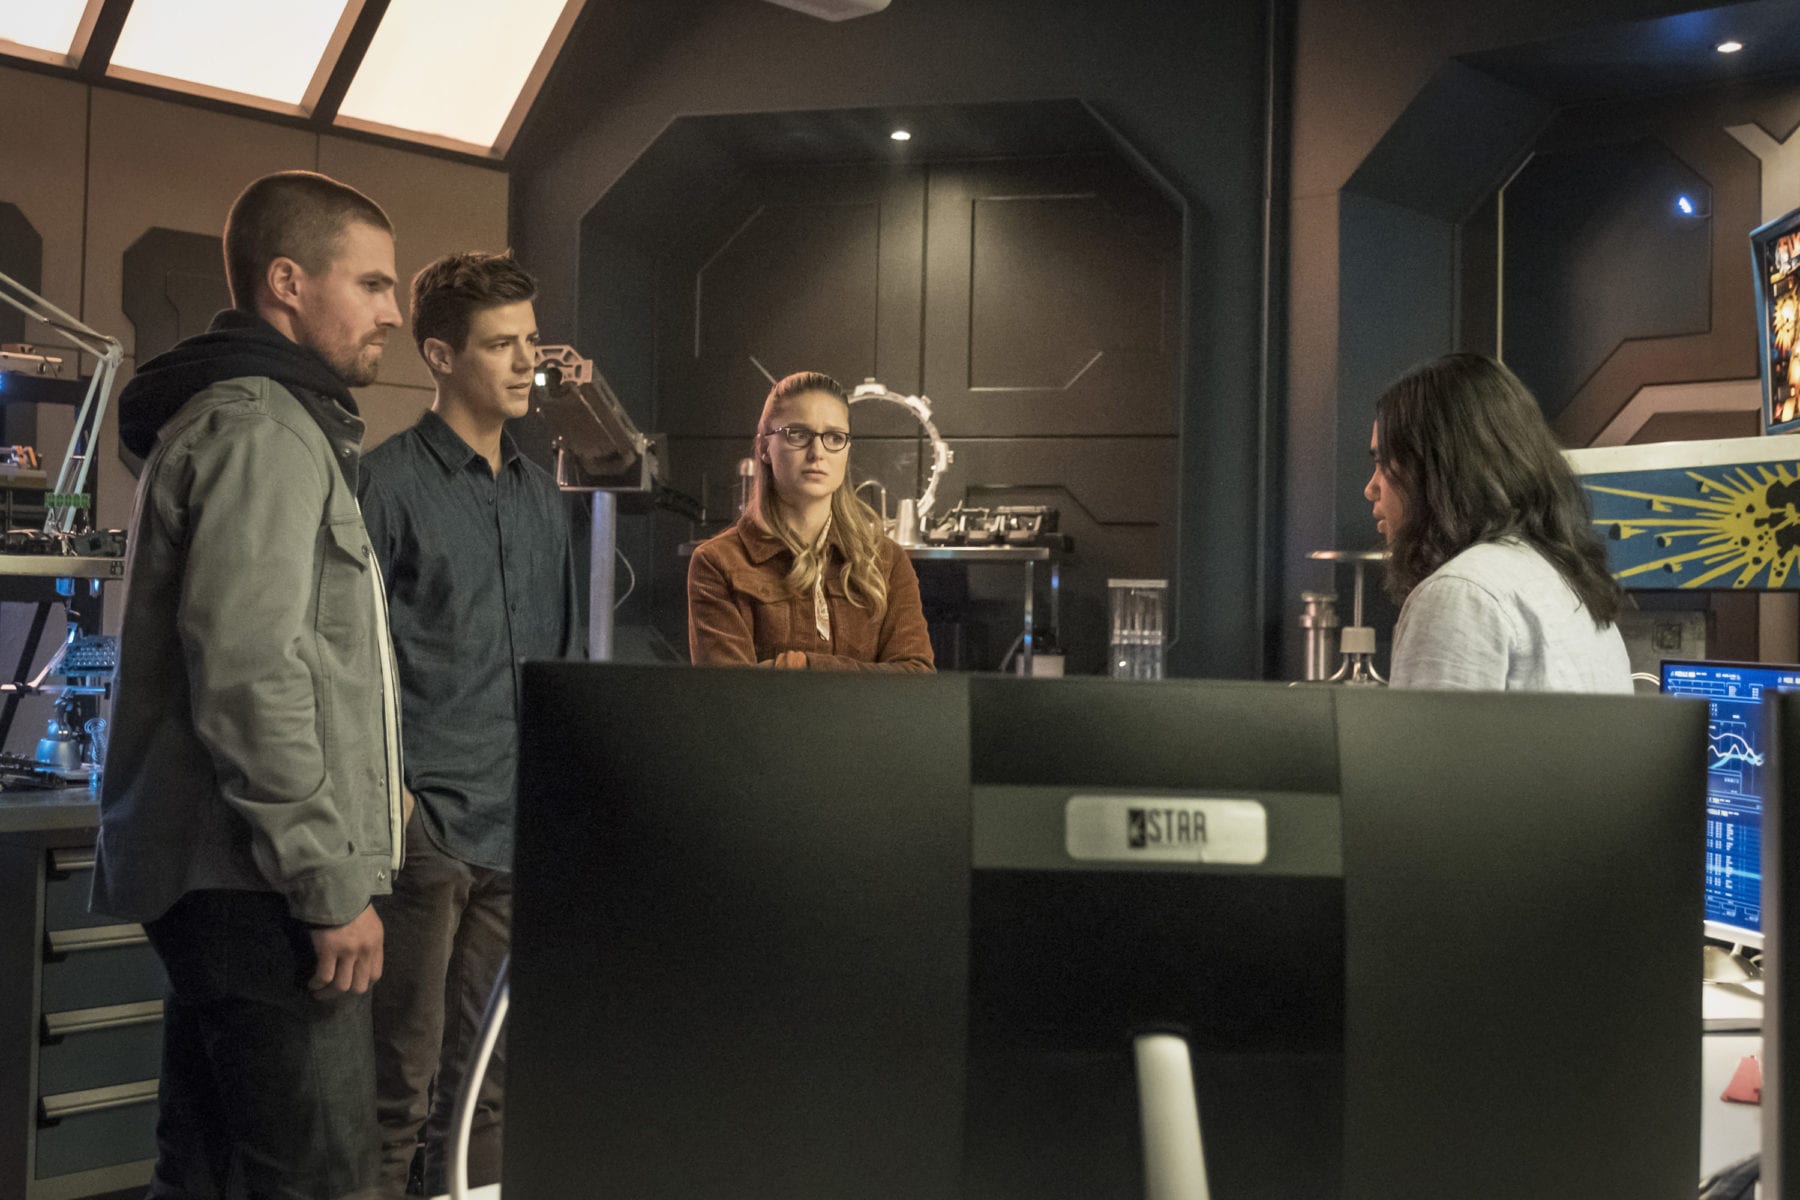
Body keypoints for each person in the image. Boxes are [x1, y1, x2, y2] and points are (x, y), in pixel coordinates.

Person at [92, 170, 405, 1198]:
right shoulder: (266, 432)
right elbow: (250, 675)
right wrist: (327, 879)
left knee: (209, 1172)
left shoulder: (265, 422)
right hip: (259, 884)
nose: (393, 313)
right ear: (287, 283)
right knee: (319, 1180)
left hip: (232, 875)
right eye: (372, 284)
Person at [357, 251, 582, 1196]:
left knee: (487, 1101)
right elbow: (350, 666)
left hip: (515, 832)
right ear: (441, 356)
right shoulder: (382, 484)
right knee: (394, 1098)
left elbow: (556, 659)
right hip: (426, 839)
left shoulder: (540, 495)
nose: (527, 362)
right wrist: (401, 808)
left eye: (531, 340)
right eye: (501, 345)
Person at [1363, 351, 1631, 692]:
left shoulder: (1459, 592)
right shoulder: (1565, 579)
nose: (1371, 488)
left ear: (1437, 470)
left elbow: (1427, 729)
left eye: (1384, 462)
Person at [688, 371, 934, 671]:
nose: (817, 453)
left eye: (834, 437)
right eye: (798, 434)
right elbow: (730, 691)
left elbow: (916, 676)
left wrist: (801, 666)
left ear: (846, 450)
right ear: (764, 448)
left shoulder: (886, 560)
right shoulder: (717, 562)